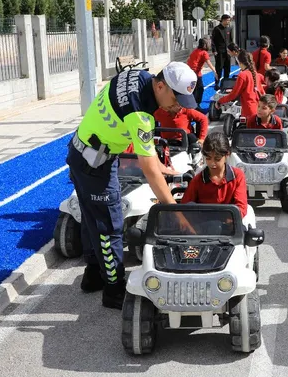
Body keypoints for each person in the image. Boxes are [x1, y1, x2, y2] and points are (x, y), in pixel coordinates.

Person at [66, 62, 198, 309]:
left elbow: (146, 152)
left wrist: (158, 164)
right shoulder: (140, 114)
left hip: (86, 151)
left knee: (92, 217)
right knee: (109, 226)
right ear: (160, 86)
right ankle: (114, 290)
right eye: (176, 98)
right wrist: (175, 212)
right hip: (95, 164)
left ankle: (93, 276)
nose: (178, 105)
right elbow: (147, 168)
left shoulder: (139, 76)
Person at [181, 132, 249, 218]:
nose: (212, 163)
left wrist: (227, 220)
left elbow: (241, 207)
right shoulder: (197, 180)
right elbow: (185, 208)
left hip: (231, 225)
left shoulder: (238, 176)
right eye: (208, 158)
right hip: (203, 226)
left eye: (217, 159)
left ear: (227, 154)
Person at [215, 49, 265, 119]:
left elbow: (233, 95)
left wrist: (220, 101)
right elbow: (262, 91)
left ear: (239, 62)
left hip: (248, 111)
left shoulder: (242, 75)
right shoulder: (255, 74)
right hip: (259, 109)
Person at [186, 37, 217, 110]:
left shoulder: (195, 51)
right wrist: (215, 71)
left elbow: (188, 59)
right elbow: (209, 63)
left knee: (193, 88)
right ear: (205, 45)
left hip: (190, 72)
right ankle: (196, 104)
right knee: (200, 89)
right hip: (196, 73)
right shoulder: (204, 53)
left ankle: (191, 104)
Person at [211, 14, 232, 83]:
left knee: (227, 68)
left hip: (228, 52)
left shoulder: (229, 29)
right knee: (219, 68)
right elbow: (213, 40)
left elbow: (230, 40)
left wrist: (232, 49)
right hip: (219, 51)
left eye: (229, 20)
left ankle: (226, 82)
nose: (228, 22)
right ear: (223, 20)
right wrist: (214, 50)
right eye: (227, 20)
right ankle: (217, 83)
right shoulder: (217, 29)